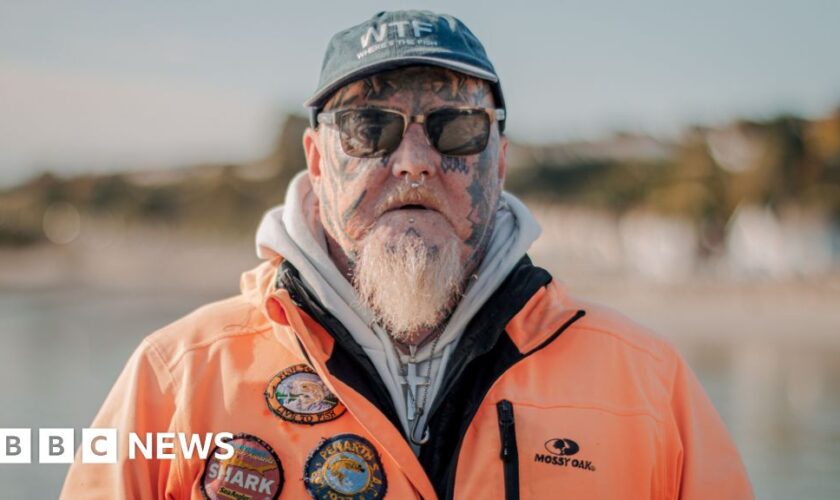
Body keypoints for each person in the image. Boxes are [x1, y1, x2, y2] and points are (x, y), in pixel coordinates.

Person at [62, 10, 753, 499]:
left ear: (501, 160)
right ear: (316, 159)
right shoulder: (173, 382)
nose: (415, 162)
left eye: (456, 129)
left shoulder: (650, 387)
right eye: (370, 128)